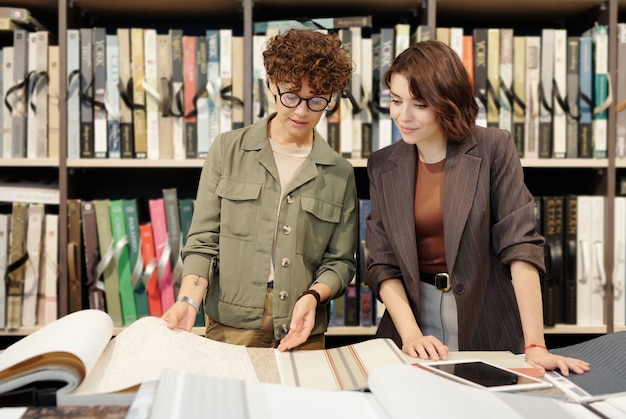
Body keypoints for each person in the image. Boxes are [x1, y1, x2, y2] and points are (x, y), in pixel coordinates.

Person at [365, 40, 589, 376]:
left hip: (486, 319)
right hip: (410, 325)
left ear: (447, 103)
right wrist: (411, 335)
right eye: (396, 101)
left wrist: (535, 346)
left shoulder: (493, 147)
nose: (403, 116)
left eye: (420, 104)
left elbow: (520, 245)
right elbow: (382, 263)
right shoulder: (383, 164)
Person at [162, 28, 357, 352]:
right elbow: (203, 242)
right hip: (231, 325)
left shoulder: (339, 172)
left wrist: (313, 296)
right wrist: (187, 301)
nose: (301, 111)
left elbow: (340, 263)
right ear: (271, 83)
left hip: (301, 327)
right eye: (291, 95)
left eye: (317, 100)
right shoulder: (228, 149)